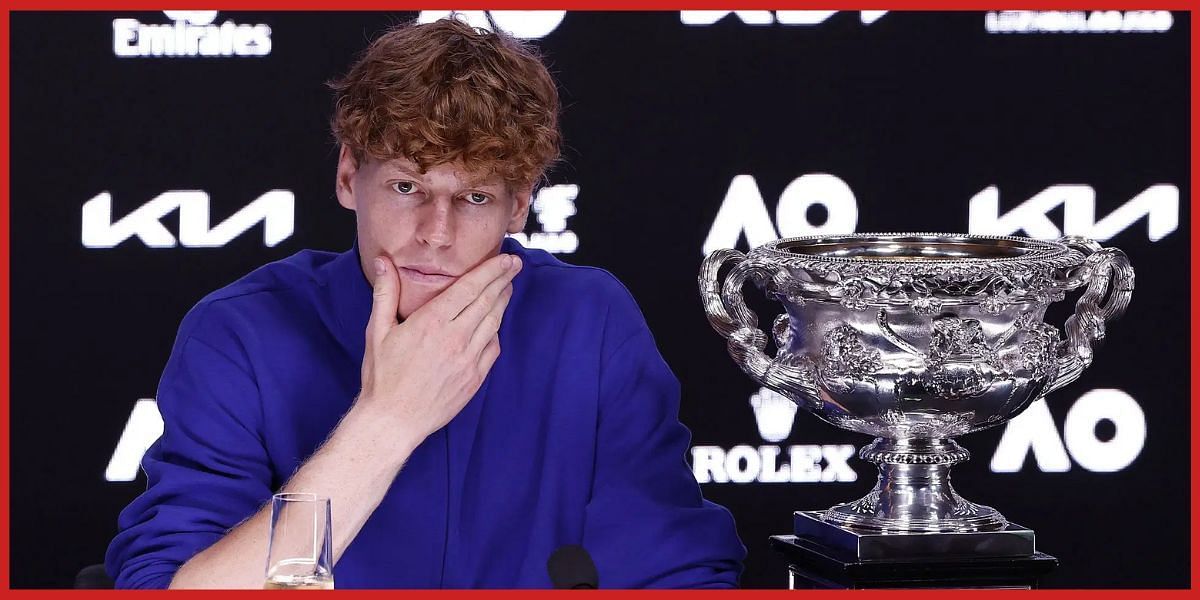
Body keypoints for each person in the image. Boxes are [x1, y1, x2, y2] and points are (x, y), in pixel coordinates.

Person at [105, 17, 745, 589]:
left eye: (474, 198)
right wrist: (388, 420)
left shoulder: (590, 321)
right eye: (407, 185)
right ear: (349, 176)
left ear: (520, 204)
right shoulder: (241, 332)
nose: (436, 233)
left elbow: (678, 572)